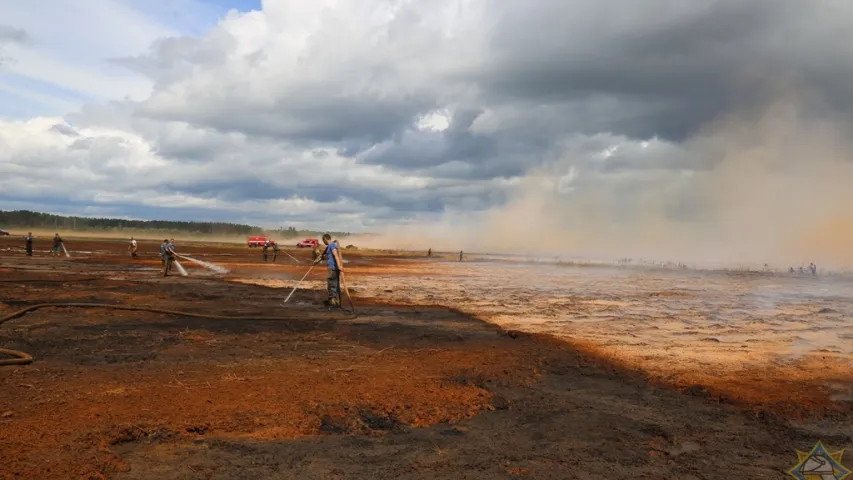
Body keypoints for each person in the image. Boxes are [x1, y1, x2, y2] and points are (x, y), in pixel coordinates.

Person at [315, 233, 344, 307]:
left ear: (325, 239)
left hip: (333, 268)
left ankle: (333, 302)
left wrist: (339, 266)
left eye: (323, 240)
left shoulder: (332, 245)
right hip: (332, 267)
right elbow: (329, 256)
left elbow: (336, 255)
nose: (323, 242)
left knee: (332, 284)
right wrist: (319, 257)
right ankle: (336, 301)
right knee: (334, 284)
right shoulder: (329, 247)